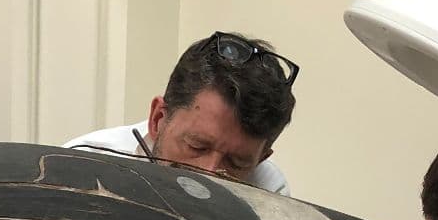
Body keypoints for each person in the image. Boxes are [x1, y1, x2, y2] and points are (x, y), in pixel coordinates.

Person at [65, 31, 297, 193]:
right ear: (158, 119)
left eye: (236, 162)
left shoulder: (269, 189)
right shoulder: (79, 166)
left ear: (262, 157)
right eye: (197, 146)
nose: (210, 175)